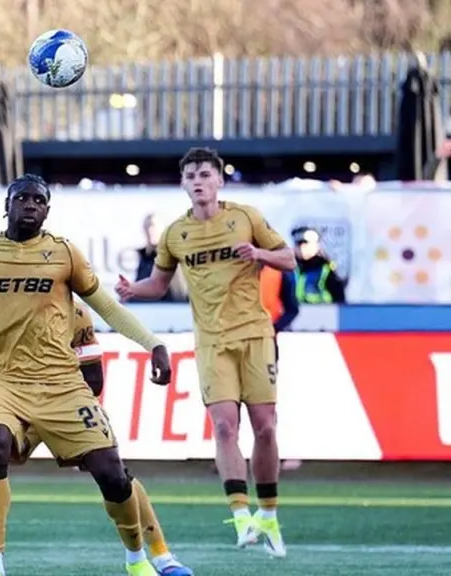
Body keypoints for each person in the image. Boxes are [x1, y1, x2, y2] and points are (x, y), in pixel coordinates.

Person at [0, 174, 173, 576]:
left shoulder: (64, 254)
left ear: (48, 210)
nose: (30, 205)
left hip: (62, 383)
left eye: (39, 200)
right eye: (22, 198)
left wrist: (153, 343)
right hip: (3, 378)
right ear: (7, 205)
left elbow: (108, 308)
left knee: (112, 473)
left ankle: (139, 558)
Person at [115, 147, 295, 558]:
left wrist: (260, 254)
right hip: (211, 340)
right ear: (183, 184)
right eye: (191, 175)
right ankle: (240, 515)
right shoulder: (176, 234)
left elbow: (287, 259)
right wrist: (133, 291)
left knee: (265, 426)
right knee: (225, 426)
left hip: (254, 334)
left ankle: (268, 512)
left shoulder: (245, 217)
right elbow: (159, 283)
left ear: (219, 181)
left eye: (205, 174)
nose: (198, 181)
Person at [0, 298, 193, 576]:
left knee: (111, 470)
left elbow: (94, 380)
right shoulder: (3, 304)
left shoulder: (76, 313)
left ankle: (161, 556)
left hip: (64, 401)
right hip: (15, 402)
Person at [291, 227, 345, 304]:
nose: (302, 247)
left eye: (306, 243)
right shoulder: (289, 269)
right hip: (295, 315)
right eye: (298, 244)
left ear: (316, 246)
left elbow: (340, 301)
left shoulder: (326, 270)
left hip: (322, 314)